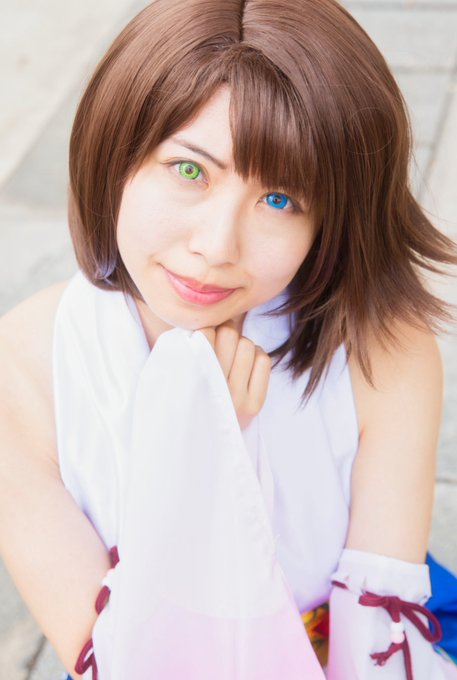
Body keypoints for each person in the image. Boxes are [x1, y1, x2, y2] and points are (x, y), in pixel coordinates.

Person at [1, 0, 457, 678]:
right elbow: (124, 663)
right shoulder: (23, 371)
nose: (217, 247)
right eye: (189, 170)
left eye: (280, 200)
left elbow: (374, 649)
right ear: (115, 151)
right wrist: (195, 452)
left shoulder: (382, 348)